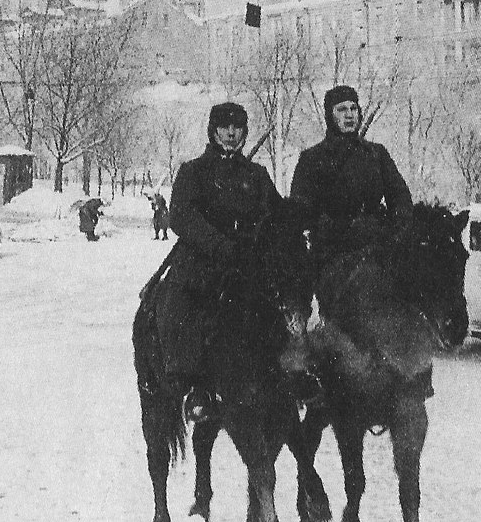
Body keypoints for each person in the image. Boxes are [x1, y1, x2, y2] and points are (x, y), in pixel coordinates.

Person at [159, 102, 281, 421]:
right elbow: (182, 217)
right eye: (224, 127)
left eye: (237, 127)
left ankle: (288, 377)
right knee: (187, 305)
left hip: (246, 260)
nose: (230, 133)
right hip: (202, 259)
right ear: (213, 131)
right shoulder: (193, 172)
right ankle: (195, 384)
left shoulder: (256, 175)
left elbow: (277, 215)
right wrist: (219, 245)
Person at [289, 84, 412, 272]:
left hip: (377, 249)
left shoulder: (376, 154)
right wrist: (330, 229)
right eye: (342, 109)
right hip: (332, 256)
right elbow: (300, 211)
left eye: (354, 108)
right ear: (330, 115)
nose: (349, 115)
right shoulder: (312, 159)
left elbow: (400, 198)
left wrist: (393, 233)